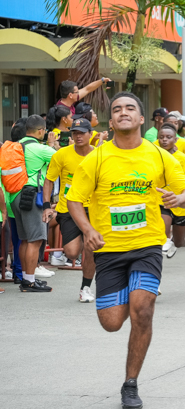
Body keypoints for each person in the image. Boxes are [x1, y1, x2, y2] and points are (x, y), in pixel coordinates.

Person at [66, 91, 185, 409]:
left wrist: (180, 200)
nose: (124, 112)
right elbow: (74, 198)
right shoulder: (96, 157)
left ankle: (130, 383)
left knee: (143, 309)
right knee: (111, 321)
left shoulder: (160, 155)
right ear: (112, 121)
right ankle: (126, 293)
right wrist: (88, 230)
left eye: (131, 108)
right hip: (108, 250)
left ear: (141, 119)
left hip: (147, 245)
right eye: (117, 109)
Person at [43, 117, 96, 300]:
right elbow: (49, 180)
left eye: (82, 133)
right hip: (69, 208)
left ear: (91, 134)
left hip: (93, 208)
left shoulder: (99, 154)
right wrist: (46, 206)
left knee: (90, 246)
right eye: (75, 133)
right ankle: (85, 244)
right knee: (72, 252)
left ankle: (85, 289)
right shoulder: (62, 154)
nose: (78, 136)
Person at [12, 115, 57, 292]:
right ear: (40, 131)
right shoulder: (40, 149)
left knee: (25, 240)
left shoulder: (16, 146)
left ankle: (26, 278)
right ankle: (29, 282)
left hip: (15, 196)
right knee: (36, 239)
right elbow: (60, 159)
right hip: (31, 196)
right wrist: (52, 146)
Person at [157, 124, 185, 258]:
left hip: (182, 203)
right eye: (161, 137)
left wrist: (180, 197)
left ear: (175, 140)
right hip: (162, 199)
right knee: (163, 230)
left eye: (168, 137)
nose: (164, 140)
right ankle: (165, 242)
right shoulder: (154, 155)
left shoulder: (183, 159)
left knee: (180, 242)